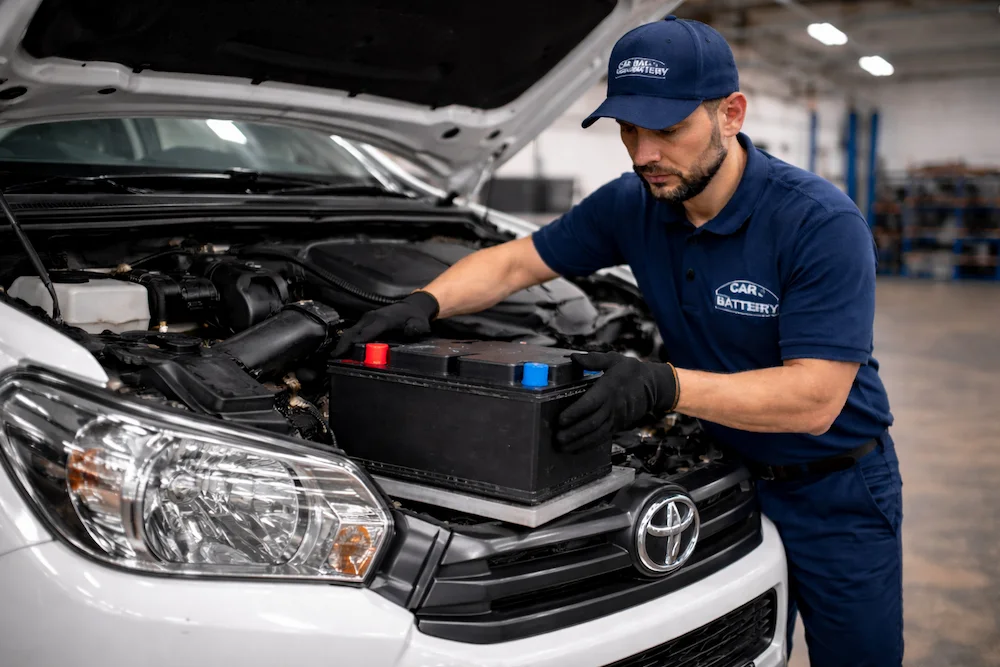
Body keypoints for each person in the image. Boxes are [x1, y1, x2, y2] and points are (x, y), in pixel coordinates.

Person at [333, 16, 902, 667]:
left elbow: (815, 398)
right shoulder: (635, 204)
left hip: (836, 491)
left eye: (667, 129)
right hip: (728, 472)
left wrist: (665, 385)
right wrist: (425, 301)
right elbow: (518, 262)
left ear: (731, 114)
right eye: (629, 130)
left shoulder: (817, 222)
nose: (642, 154)